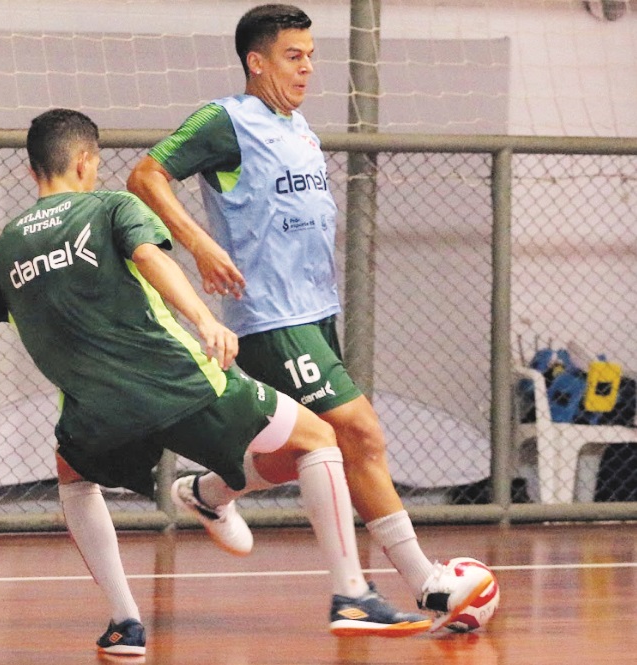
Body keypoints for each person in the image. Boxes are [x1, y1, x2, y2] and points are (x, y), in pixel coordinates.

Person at [0, 108, 436, 657]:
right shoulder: (111, 206)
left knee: (73, 477)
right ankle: (352, 595)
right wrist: (205, 319)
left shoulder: (6, 247)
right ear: (85, 161)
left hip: (95, 411)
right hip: (180, 383)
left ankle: (125, 624)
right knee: (319, 439)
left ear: (32, 170)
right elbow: (150, 258)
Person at [127, 3, 493, 634]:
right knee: (361, 432)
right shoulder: (227, 120)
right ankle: (425, 586)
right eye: (293, 56)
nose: (307, 68)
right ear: (256, 61)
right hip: (271, 319)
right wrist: (199, 243)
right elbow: (145, 174)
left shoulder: (297, 127)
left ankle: (210, 492)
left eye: (311, 56)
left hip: (316, 312)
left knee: (310, 446)